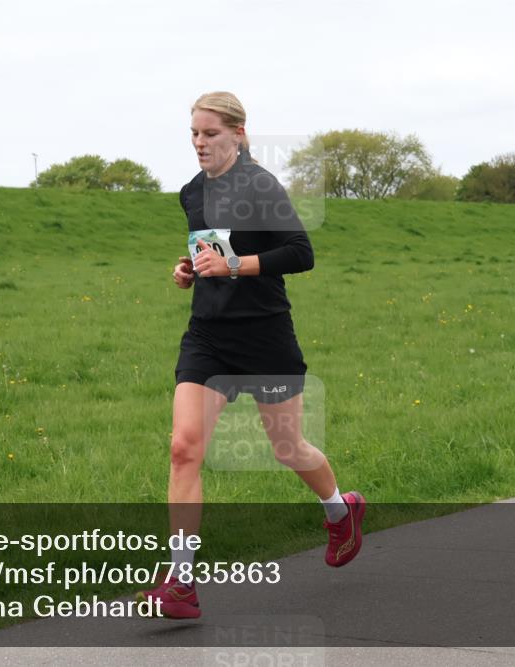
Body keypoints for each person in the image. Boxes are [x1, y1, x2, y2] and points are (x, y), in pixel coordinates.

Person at [136, 92, 365, 619]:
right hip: (208, 337)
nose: (199, 143)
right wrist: (188, 270)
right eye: (193, 133)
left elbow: (300, 253)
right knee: (183, 448)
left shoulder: (260, 185)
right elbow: (209, 249)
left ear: (238, 133)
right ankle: (182, 580)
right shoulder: (192, 192)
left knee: (288, 450)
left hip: (264, 338)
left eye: (210, 133)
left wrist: (238, 267)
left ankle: (340, 509)